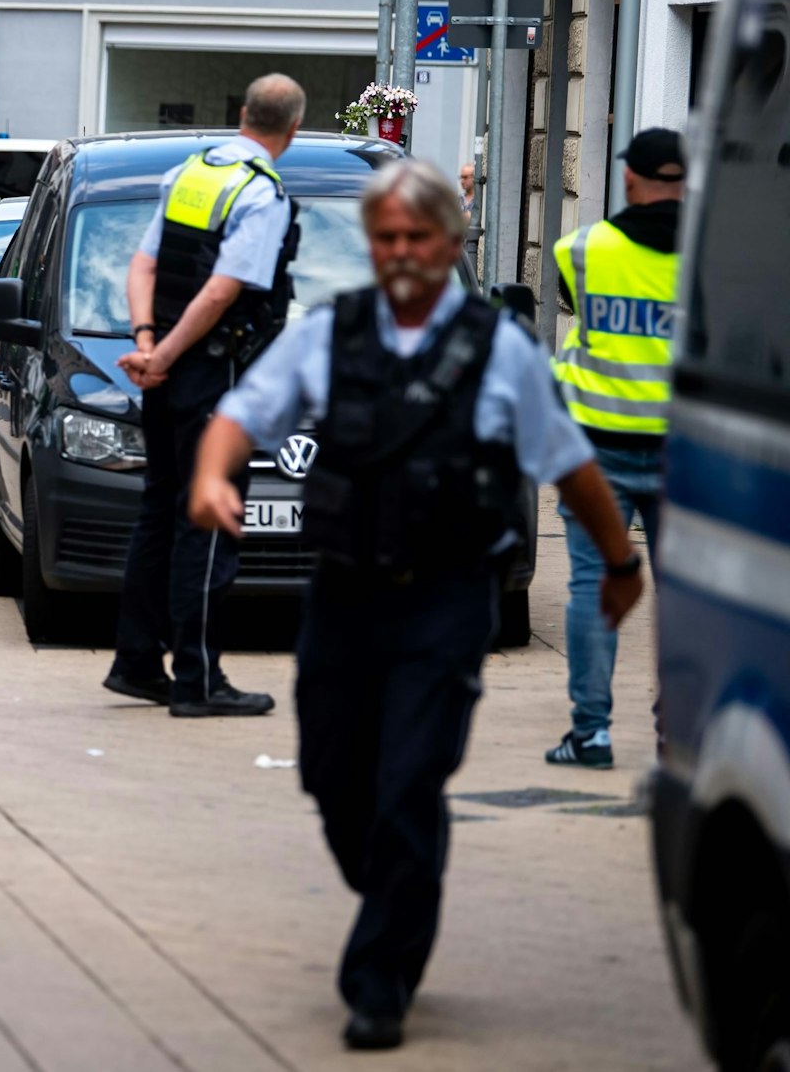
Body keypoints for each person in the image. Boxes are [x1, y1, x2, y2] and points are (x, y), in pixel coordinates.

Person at [190, 159, 643, 1052]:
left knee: (408, 782)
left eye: (418, 238)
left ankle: (381, 978)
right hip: (346, 591)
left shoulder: (497, 346)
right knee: (333, 775)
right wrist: (212, 475)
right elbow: (244, 412)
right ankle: (395, 887)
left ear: (450, 244)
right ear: (373, 244)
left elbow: (571, 465)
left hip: (447, 596)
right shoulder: (332, 332)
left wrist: (622, 561)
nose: (400, 253)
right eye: (386, 238)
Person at [103, 73, 303, 717]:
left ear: (243, 114)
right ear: (291, 131)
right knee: (208, 527)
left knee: (160, 513)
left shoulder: (193, 173)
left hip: (162, 371)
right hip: (212, 379)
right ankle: (198, 681)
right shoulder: (261, 193)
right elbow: (221, 292)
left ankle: (136, 662)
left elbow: (144, 264)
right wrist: (165, 355)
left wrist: (146, 342)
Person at [543, 128, 681, 769]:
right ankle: (676, 737)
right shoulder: (718, 257)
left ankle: (591, 734)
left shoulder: (584, 248)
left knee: (593, 585)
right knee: (682, 601)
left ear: (629, 178)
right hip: (685, 456)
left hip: (595, 447)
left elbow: (571, 297)